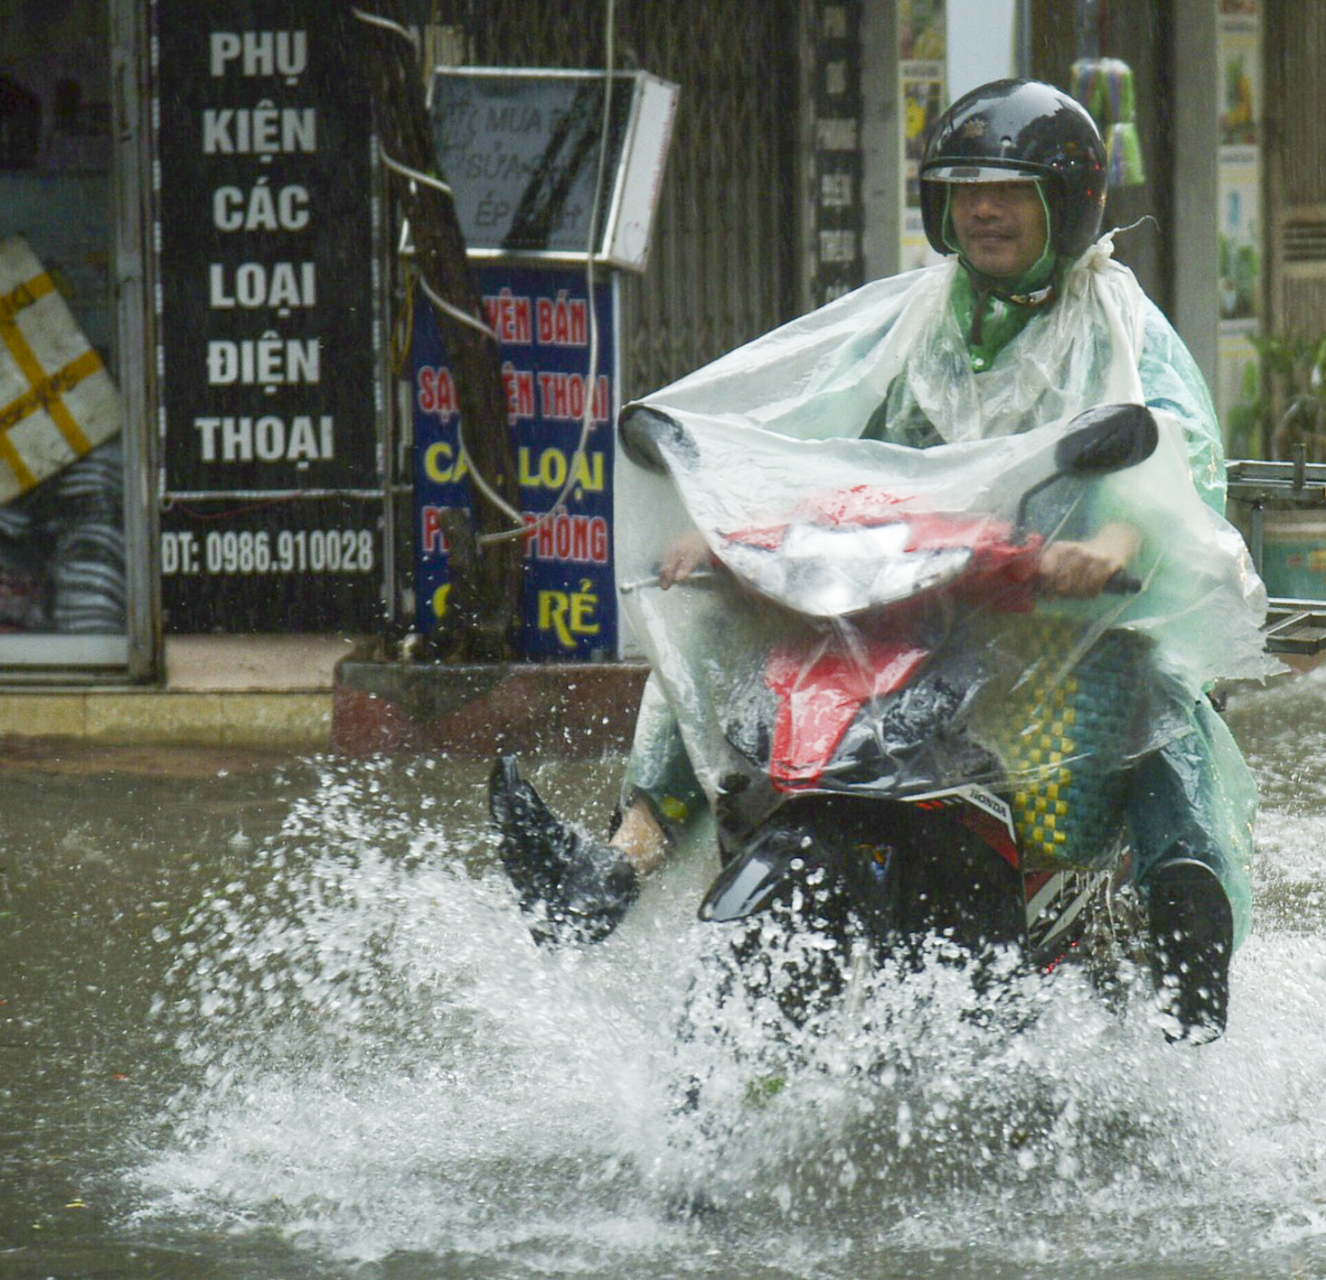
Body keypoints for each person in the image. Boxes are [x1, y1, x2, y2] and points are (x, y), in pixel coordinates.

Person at [495, 79, 1260, 1043]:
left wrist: (1113, 543)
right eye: (965, 186)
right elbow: (806, 430)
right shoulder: (905, 319)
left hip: (1065, 618)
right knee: (724, 631)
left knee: (1157, 688)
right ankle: (621, 859)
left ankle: (1186, 900)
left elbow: (1174, 447)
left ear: (1066, 205)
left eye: (1012, 189)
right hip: (923, 600)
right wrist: (735, 524)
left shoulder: (1122, 327)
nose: (983, 208)